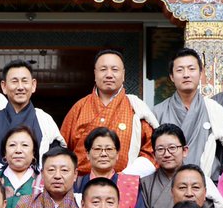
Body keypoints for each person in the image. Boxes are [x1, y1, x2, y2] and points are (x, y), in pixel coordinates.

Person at [62, 49, 157, 177]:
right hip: (81, 183)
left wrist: (124, 176)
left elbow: (152, 151)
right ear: (95, 74)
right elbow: (62, 149)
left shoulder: (137, 108)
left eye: (115, 69)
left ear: (123, 75)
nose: (109, 75)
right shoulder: (79, 108)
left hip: (124, 182)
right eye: (103, 69)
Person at [153, 48, 223, 180]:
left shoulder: (214, 109)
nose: (186, 75)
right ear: (172, 77)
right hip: (168, 181)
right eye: (180, 70)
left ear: (201, 74)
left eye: (191, 69)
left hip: (207, 183)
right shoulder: (158, 112)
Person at [0, 60, 63, 176]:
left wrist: (32, 178)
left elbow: (56, 158)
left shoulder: (45, 121)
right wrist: (7, 176)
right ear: (4, 86)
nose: (20, 87)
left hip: (37, 184)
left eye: (24, 81)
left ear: (33, 85)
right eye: (14, 81)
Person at [72, 128, 148, 208]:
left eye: (109, 149)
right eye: (97, 149)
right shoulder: (76, 184)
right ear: (88, 154)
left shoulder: (131, 185)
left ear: (117, 154)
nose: (103, 154)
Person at [140, 123, 191, 208]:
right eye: (160, 149)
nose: (167, 154)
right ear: (154, 154)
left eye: (172, 148)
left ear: (184, 151)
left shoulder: (198, 180)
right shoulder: (144, 184)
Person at [0, 125, 40, 208]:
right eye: (12, 145)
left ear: (33, 152)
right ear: (4, 152)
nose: (18, 150)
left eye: (25, 145)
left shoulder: (43, 181)